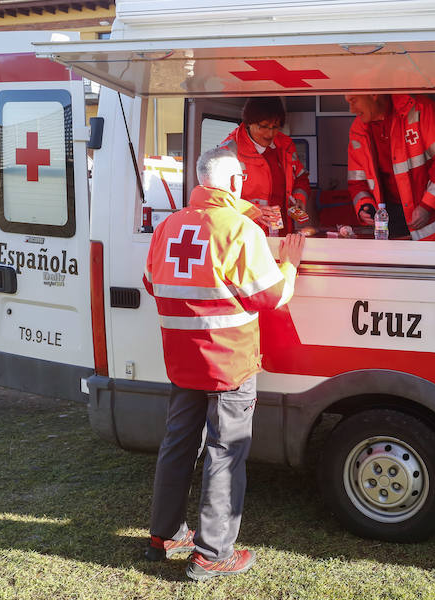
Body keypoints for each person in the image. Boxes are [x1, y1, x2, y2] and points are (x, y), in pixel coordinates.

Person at [141, 146, 305, 582]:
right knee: (224, 451)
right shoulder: (240, 230)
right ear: (234, 184)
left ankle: (164, 535)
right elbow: (270, 297)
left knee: (178, 443)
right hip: (229, 361)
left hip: (181, 358)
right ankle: (213, 554)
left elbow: (151, 282)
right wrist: (289, 263)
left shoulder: (167, 226)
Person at [346, 94, 435, 241]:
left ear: (373, 94)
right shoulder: (358, 128)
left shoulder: (420, 109)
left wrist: (427, 206)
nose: (351, 109)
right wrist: (365, 206)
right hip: (393, 221)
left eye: (353, 100)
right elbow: (356, 181)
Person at [219, 97, 311, 236]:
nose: (270, 134)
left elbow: (301, 177)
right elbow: (217, 199)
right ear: (249, 123)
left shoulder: (286, 146)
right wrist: (253, 210)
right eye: (263, 126)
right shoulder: (228, 151)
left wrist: (299, 198)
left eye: (275, 127)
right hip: (247, 235)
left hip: (283, 233)